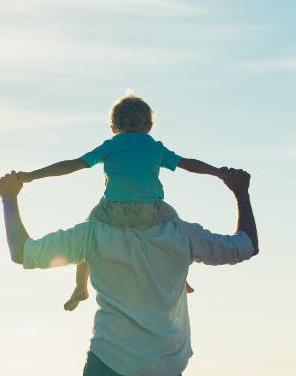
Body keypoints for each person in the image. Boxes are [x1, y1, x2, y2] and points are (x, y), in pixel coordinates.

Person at [0, 165, 259, 376]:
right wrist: (241, 193)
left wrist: (9, 198)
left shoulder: (93, 232)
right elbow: (245, 246)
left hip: (110, 367)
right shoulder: (182, 233)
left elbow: (22, 252)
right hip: (163, 371)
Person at [18, 93, 226, 310]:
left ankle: (81, 286)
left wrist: (33, 175)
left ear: (113, 127)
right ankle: (181, 278)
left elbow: (73, 164)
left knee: (88, 237)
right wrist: (218, 172)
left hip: (113, 211)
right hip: (151, 212)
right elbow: (189, 163)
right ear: (149, 125)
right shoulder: (154, 147)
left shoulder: (111, 145)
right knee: (175, 227)